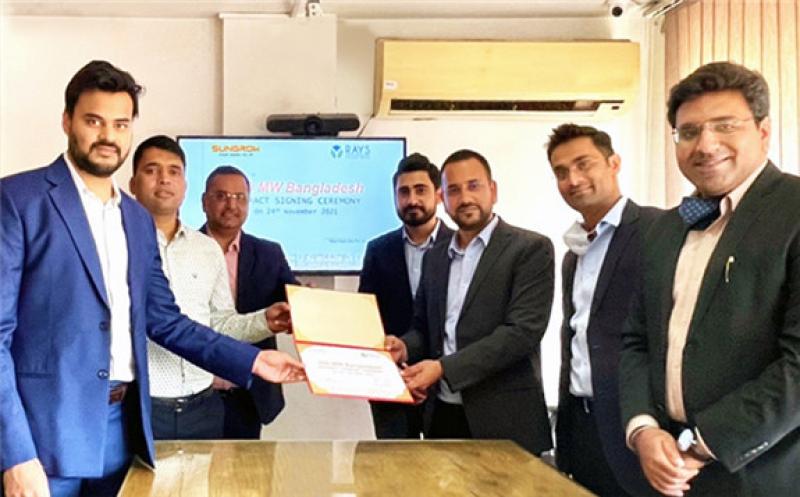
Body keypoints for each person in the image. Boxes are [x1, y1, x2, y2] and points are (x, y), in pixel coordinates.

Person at [0, 60, 304, 497]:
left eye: (121, 124)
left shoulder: (136, 219)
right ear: (67, 121)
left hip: (123, 429)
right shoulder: (18, 200)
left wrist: (253, 362)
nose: (108, 136)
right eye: (94, 121)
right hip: (43, 437)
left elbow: (166, 320)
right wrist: (14, 453)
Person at [620, 61, 800, 496]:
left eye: (725, 126)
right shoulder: (665, 228)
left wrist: (703, 444)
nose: (705, 144)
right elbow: (637, 339)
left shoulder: (793, 209)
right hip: (667, 469)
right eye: (689, 132)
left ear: (763, 131)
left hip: (765, 473)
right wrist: (644, 429)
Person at [386, 149, 554, 455]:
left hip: (505, 420)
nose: (465, 198)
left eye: (473, 186)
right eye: (454, 190)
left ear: (493, 190)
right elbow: (424, 328)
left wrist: (443, 368)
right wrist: (404, 347)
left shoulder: (530, 249)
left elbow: (521, 334)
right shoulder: (435, 256)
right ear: (443, 198)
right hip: (442, 415)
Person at [129, 135, 297, 440]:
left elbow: (219, 323)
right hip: (140, 405)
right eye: (152, 170)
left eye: (174, 171)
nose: (164, 179)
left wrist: (265, 321)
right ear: (133, 184)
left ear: (184, 186)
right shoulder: (115, 244)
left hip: (203, 408)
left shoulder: (207, 249)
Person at [547, 124, 658, 496]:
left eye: (584, 164)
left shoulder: (658, 230)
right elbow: (577, 337)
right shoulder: (572, 255)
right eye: (561, 172)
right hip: (582, 425)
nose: (573, 179)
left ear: (614, 163)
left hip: (637, 425)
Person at [358, 153, 453, 439]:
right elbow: (368, 318)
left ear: (438, 195)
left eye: (420, 190)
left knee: (446, 464)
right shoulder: (378, 250)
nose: (412, 200)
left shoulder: (460, 246)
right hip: (389, 380)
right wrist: (395, 371)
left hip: (446, 383)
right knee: (392, 463)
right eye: (404, 192)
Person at [200, 166, 299, 439]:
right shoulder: (184, 249)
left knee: (247, 467)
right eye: (222, 196)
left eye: (240, 197)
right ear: (204, 202)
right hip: (196, 394)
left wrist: (305, 303)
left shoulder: (269, 253)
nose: (232, 205)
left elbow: (291, 299)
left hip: (248, 393)